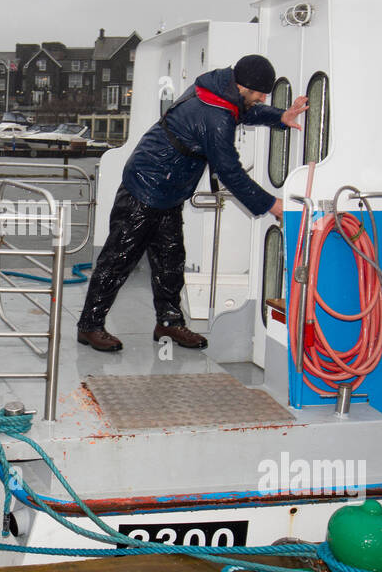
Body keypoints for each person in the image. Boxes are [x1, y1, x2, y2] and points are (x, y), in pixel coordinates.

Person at [76, 54, 307, 351]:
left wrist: (279, 117)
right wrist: (272, 205)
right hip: (145, 186)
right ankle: (90, 325)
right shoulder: (215, 115)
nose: (262, 97)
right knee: (118, 259)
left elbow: (244, 112)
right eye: (260, 92)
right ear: (242, 86)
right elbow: (230, 173)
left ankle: (169, 323)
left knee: (171, 259)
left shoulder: (221, 91)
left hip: (170, 189)